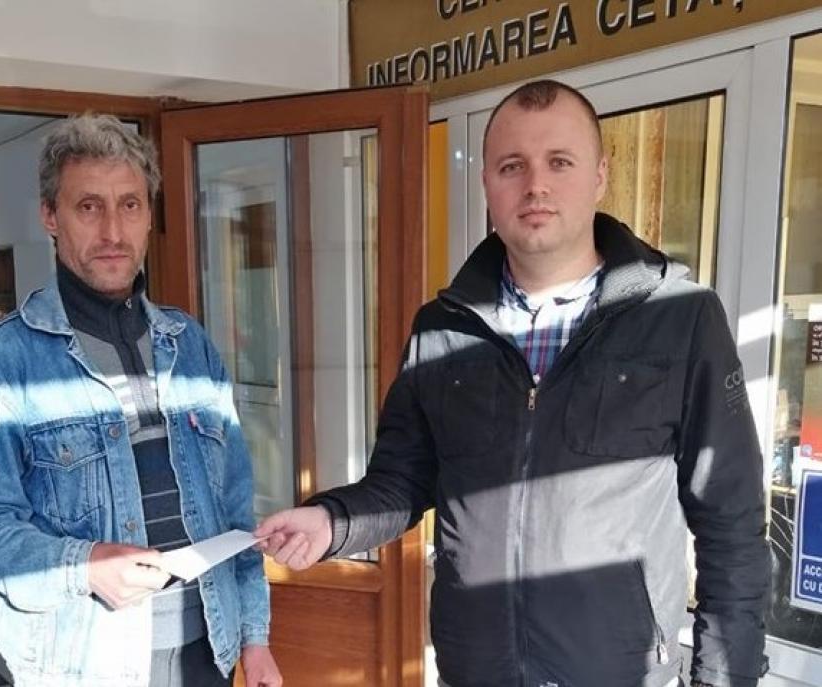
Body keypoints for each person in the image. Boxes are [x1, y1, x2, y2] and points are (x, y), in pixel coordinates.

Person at [256, 80, 769, 687]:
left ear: (600, 176)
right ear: (487, 185)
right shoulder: (442, 327)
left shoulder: (680, 317)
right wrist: (332, 522)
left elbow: (731, 525)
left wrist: (723, 678)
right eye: (512, 166)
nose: (536, 185)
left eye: (560, 162)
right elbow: (403, 479)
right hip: (475, 670)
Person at [0, 114, 282, 687]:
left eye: (130, 205)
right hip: (85, 666)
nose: (113, 231)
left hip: (207, 653)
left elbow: (234, 510)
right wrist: (84, 566)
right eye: (89, 206)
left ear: (149, 216)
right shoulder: (1, 364)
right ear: (51, 216)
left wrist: (254, 638)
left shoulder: (190, 345)